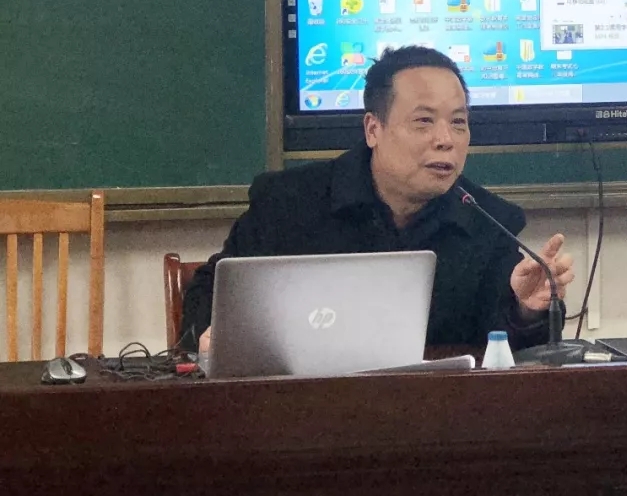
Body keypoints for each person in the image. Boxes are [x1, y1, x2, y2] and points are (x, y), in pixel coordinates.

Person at [180, 45, 575, 354]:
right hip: (302, 409)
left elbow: (503, 353)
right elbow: (209, 294)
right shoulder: (288, 203)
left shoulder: (488, 221)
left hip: (434, 416)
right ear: (373, 129)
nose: (446, 139)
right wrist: (213, 332)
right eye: (423, 121)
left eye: (458, 122)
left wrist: (526, 310)